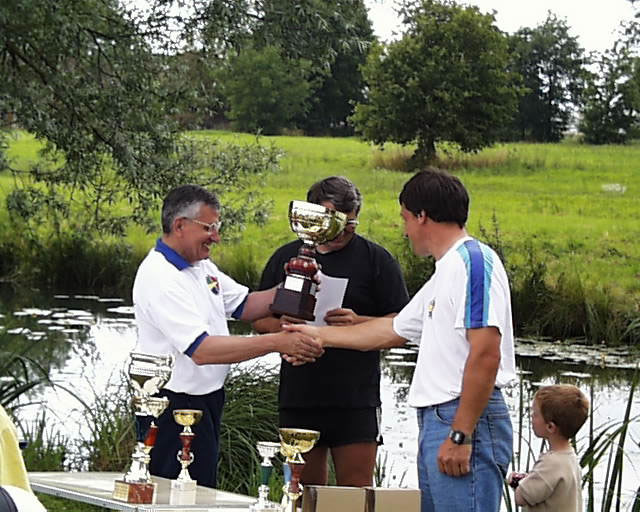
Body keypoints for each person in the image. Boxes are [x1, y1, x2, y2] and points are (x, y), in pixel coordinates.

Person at [285, 168, 517, 512]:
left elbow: (486, 353)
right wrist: (315, 334)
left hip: (463, 418)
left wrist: (461, 433)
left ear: (422, 216)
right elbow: (391, 329)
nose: (405, 229)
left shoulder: (474, 263)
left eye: (405, 218)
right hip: (439, 418)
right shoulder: (446, 270)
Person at [132, 184, 323, 489]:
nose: (216, 237)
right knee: (172, 495)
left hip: (206, 400)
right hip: (173, 406)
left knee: (199, 491)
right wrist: (276, 342)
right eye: (208, 228)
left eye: (217, 227)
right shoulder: (160, 276)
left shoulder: (200, 265)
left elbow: (245, 304)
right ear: (180, 225)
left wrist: (296, 283)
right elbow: (202, 350)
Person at [252, 176, 409, 487]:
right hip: (299, 394)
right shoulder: (287, 257)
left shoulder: (377, 260)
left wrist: (359, 322)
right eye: (334, 223)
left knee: (356, 494)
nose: (341, 232)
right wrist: (286, 330)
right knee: (303, 492)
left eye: (350, 224)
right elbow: (258, 320)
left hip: (356, 397)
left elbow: (402, 324)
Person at [509, 384, 589, 511]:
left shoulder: (550, 463)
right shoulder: (570, 458)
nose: (531, 416)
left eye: (535, 414)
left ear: (550, 427)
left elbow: (521, 497)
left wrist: (514, 481)